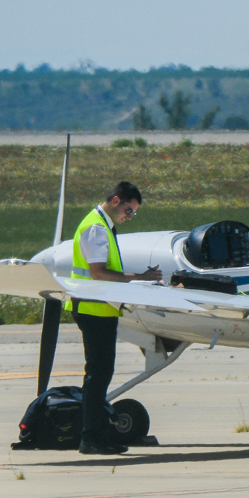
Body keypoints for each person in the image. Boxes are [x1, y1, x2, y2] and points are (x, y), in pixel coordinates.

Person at [66, 181, 162, 455]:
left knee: (100, 374)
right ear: (117, 200)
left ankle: (95, 435)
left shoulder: (103, 225)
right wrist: (140, 277)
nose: (129, 217)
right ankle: (90, 437)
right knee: (98, 375)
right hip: (94, 309)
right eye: (129, 211)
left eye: (133, 214)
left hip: (100, 308)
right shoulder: (96, 228)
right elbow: (99, 273)